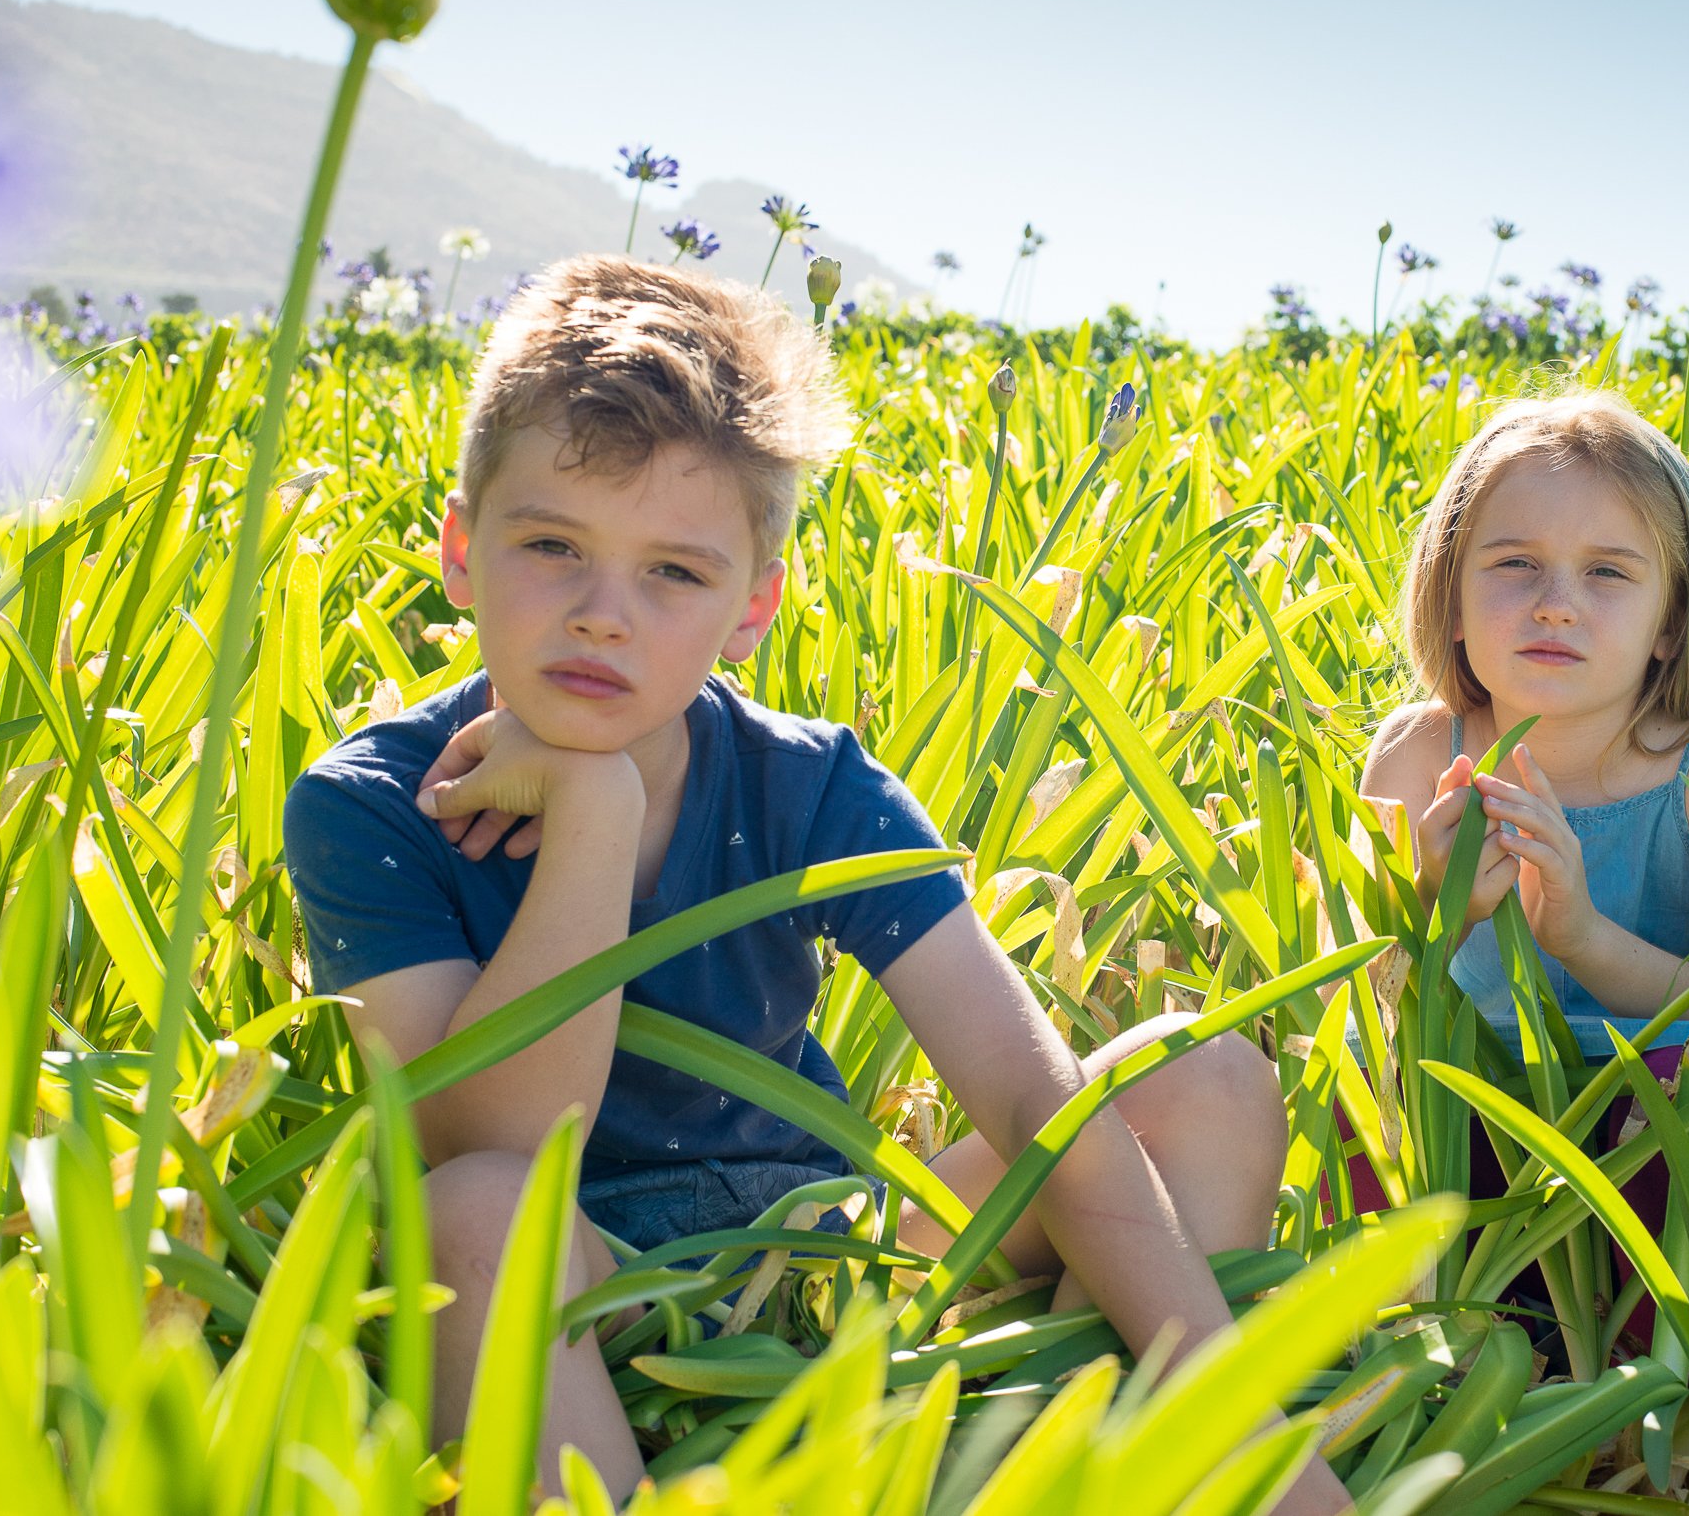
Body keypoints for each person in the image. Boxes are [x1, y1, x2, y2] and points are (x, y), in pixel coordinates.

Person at [283, 256, 1344, 1511]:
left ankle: (1133, 1458)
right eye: (552, 545)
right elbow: (496, 1149)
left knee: (1207, 1083)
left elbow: (1024, 1092)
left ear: (752, 607)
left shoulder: (808, 786)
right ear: (463, 551)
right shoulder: (372, 802)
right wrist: (592, 813)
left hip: (822, 1253)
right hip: (581, 1273)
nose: (602, 614)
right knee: (473, 1212)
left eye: (674, 571)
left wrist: (1252, 1428)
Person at [1361, 388, 1689, 1074]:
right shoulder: (1416, 753)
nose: (1557, 607)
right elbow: (1344, 1006)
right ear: (1453, 597)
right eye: (1516, 564)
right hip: (1454, 1103)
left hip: (1664, 1115)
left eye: (1607, 571)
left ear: (1671, 621)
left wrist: (1583, 937)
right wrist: (1442, 906)